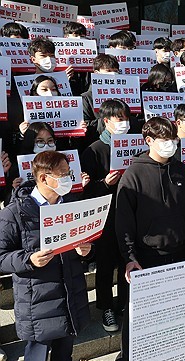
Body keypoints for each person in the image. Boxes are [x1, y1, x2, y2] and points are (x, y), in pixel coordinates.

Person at [114, 117, 185, 361]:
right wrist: (129, 256)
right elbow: (123, 223)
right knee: (138, 317)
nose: (171, 144)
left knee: (176, 313)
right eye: (165, 140)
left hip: (179, 253)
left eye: (174, 139)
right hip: (147, 257)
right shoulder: (133, 175)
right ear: (149, 141)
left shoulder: (181, 171)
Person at [0, 151, 92, 361]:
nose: (68, 178)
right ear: (43, 178)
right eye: (63, 174)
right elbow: (1, 257)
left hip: (69, 295)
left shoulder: (71, 204)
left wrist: (85, 250)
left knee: (64, 358)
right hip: (37, 302)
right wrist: (29, 260)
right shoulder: (16, 212)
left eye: (69, 173)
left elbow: (84, 243)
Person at [81, 99, 133, 333]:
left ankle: (124, 303)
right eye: (119, 118)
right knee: (105, 265)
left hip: (130, 214)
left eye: (126, 117)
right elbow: (84, 189)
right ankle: (106, 307)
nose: (124, 122)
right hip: (104, 217)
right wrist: (104, 183)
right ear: (106, 121)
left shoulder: (134, 146)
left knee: (128, 261)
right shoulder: (94, 150)